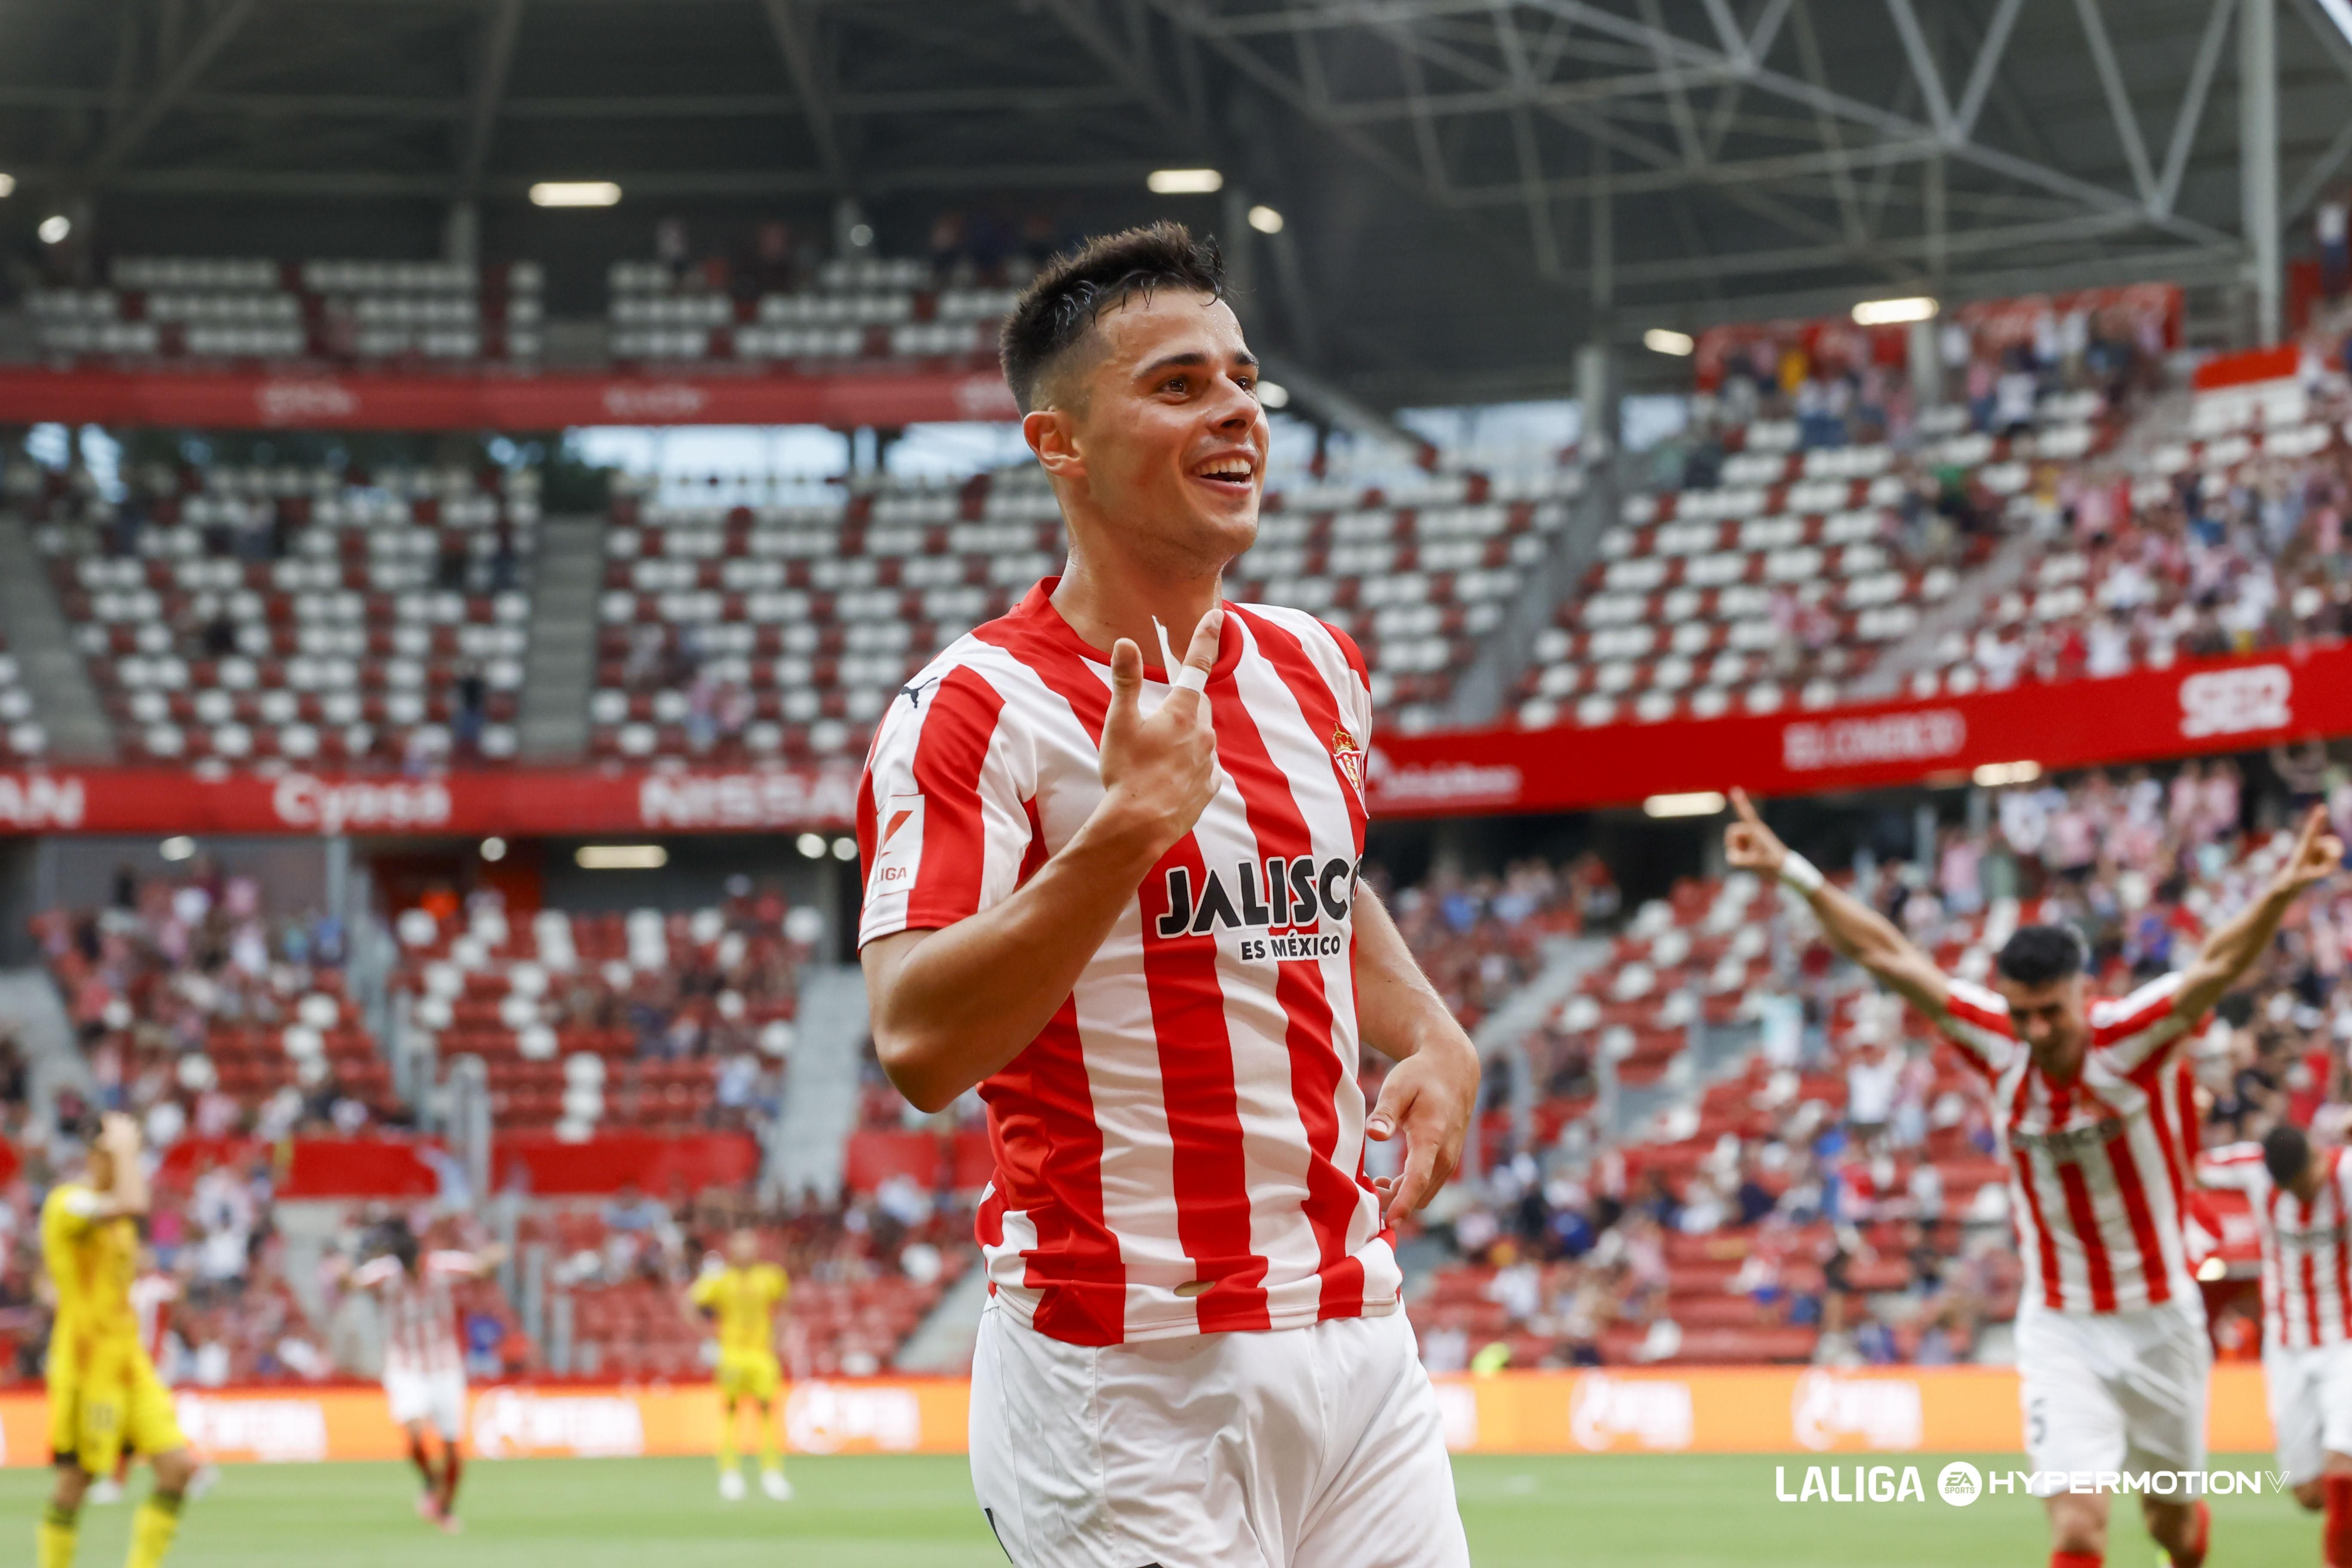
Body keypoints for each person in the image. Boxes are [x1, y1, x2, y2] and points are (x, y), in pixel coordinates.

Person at [858, 222, 1479, 1567]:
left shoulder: (1317, 667)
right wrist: (1126, 831)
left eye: (1244, 378)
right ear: (1059, 446)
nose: (1237, 409)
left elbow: (1320, 884)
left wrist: (1429, 1028)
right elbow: (918, 1042)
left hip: (1356, 1335)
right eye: (1179, 384)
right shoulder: (974, 709)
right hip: (1122, 1370)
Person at [1725, 787, 2343, 1568]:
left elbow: (2219, 961)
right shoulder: (1994, 1041)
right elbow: (1885, 953)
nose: (2037, 1030)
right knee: (2078, 1526)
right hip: (2060, 1323)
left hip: (2159, 1318)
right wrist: (1788, 868)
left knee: (2172, 1528)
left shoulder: (2137, 1034)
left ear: (2083, 992)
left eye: (2051, 1010)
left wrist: (2285, 886)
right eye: (2023, 1013)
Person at [38, 1112, 201, 1568]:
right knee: (77, 1481)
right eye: (115, 1154)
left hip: (130, 1363)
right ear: (96, 1155)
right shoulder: (68, 1202)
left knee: (177, 1470)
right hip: (86, 1366)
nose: (127, 1163)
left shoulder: (118, 1223)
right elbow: (133, 1201)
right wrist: (127, 1145)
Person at [2197, 1122, 2352, 1562]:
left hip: (2347, 1341)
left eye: (2303, 1184)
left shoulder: (2346, 1174)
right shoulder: (2250, 1168)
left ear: (2316, 1159)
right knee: (2309, 1493)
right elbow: (2192, 1167)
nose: (2298, 1195)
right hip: (2286, 1345)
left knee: (2343, 1471)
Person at [349, 1219, 504, 1532]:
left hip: (445, 1367)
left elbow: (481, 1268)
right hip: (406, 1366)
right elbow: (351, 1283)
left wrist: (493, 1256)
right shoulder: (386, 1273)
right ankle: (432, 1484)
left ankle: (446, 1509)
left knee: (451, 1446)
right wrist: (341, 1273)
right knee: (415, 1433)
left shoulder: (443, 1266)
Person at [684, 1228, 791, 1501]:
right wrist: (709, 1335)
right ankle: (730, 1474)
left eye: (749, 1245)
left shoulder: (771, 1277)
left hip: (762, 1355)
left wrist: (777, 1340)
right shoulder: (720, 1279)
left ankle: (772, 1473)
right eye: (740, 1245)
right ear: (732, 1249)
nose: (745, 1250)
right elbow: (690, 1303)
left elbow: (784, 1307)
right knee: (730, 1414)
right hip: (732, 1355)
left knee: (768, 1414)